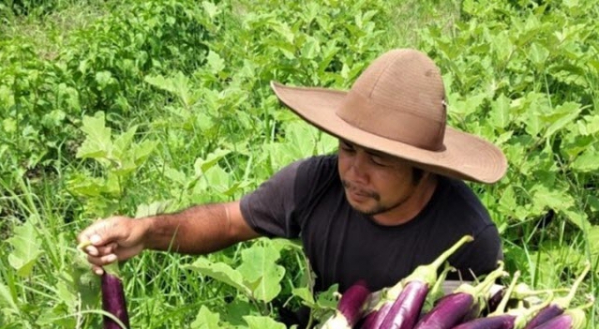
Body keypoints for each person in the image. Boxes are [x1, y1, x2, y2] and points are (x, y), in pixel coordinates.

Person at [78, 49, 507, 298]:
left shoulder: (468, 238)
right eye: (348, 147)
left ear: (425, 170)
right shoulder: (315, 182)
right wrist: (145, 231)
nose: (354, 172)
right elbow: (229, 220)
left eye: (380, 160)